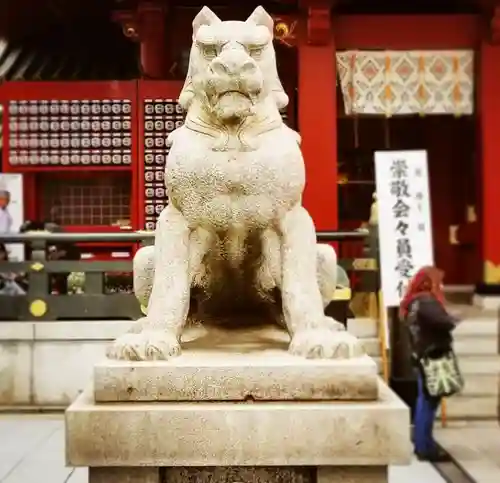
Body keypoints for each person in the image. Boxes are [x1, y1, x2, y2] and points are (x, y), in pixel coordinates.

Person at [399, 266, 459, 462]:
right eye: (438, 281)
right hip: (433, 356)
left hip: (421, 355)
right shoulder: (427, 301)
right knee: (428, 402)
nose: (440, 285)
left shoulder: (413, 302)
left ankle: (421, 443)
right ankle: (426, 447)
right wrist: (455, 319)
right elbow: (444, 322)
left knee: (423, 400)